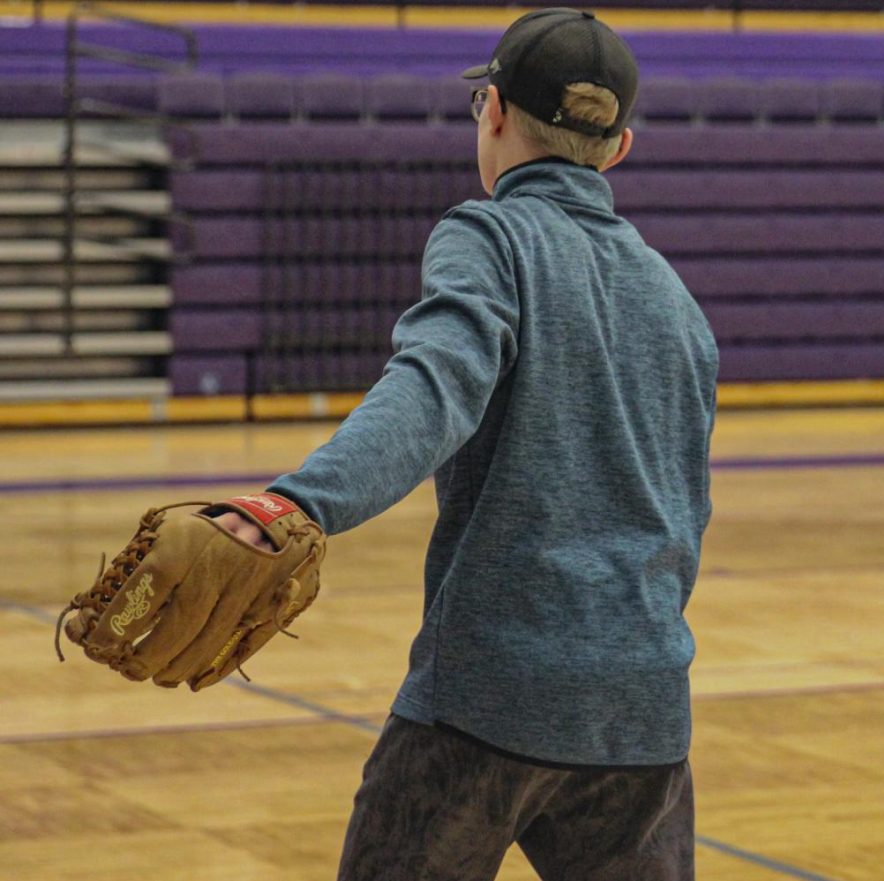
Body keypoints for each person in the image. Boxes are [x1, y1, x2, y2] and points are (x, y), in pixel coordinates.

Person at [218, 8, 718, 880]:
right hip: (643, 707)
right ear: (620, 147)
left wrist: (296, 502)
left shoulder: (489, 234)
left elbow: (432, 388)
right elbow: (689, 511)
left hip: (490, 699)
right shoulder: (678, 302)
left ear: (490, 110)